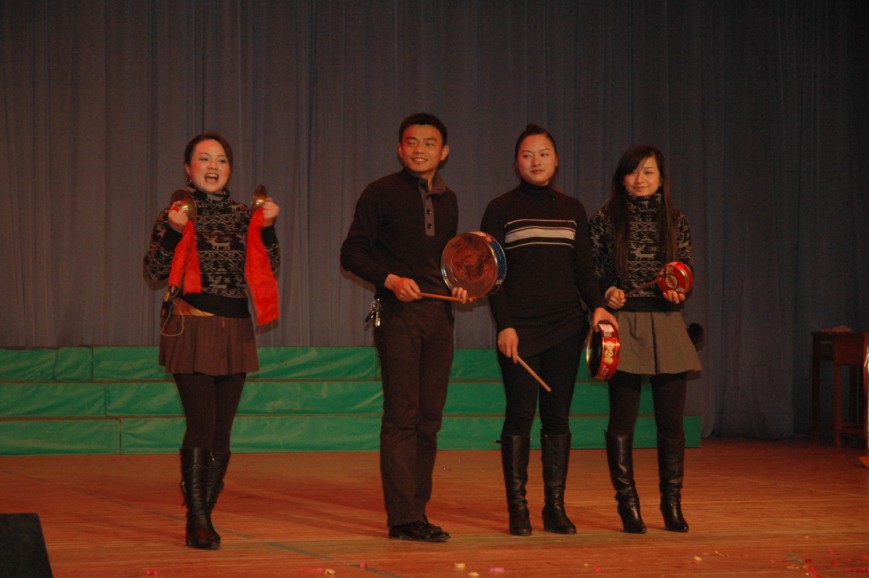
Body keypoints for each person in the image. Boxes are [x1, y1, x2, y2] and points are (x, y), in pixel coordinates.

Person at [143, 131, 280, 549]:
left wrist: (269, 229)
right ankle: (198, 519)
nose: (213, 166)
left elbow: (268, 267)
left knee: (222, 432)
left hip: (235, 328)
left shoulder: (244, 214)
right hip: (192, 327)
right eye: (204, 159)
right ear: (189, 169)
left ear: (229, 169)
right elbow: (154, 270)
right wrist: (172, 231)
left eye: (221, 159)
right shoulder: (175, 213)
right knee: (201, 425)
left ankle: (203, 510)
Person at [480, 124, 617, 536]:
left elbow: (583, 270)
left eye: (543, 154)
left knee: (557, 418)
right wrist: (505, 325)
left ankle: (554, 507)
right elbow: (491, 277)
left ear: (556, 160)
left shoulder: (573, 208)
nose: (535, 161)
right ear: (516, 162)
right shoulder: (500, 208)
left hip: (566, 328)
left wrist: (597, 306)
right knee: (520, 414)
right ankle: (518, 508)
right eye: (527, 154)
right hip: (519, 331)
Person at [340, 113, 467, 543]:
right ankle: (403, 518)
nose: (419, 150)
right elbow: (351, 253)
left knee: (429, 420)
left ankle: (418, 511)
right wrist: (390, 280)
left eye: (429, 143)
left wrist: (460, 287)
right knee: (402, 418)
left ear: (444, 152)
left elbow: (447, 264)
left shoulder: (449, 200)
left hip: (439, 319)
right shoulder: (379, 193)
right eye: (412, 142)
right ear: (399, 148)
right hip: (398, 317)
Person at [588, 144, 701, 534]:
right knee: (622, 421)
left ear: (661, 178)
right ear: (622, 178)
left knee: (672, 422)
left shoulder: (677, 220)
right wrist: (608, 291)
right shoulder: (603, 219)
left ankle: (672, 503)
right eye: (633, 171)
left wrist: (679, 289)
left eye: (648, 172)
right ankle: (628, 504)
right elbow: (593, 271)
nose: (640, 179)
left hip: (667, 323)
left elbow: (684, 269)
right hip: (625, 323)